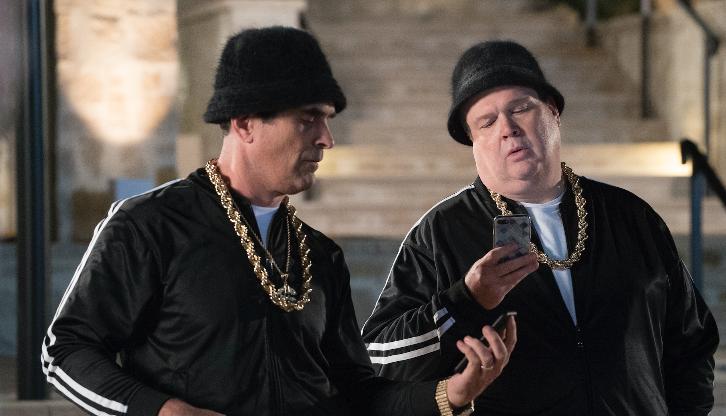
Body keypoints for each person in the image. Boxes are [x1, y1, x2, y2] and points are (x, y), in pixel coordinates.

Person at [41, 27, 514, 416]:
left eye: (327, 119)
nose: (326, 139)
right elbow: (65, 351)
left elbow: (359, 394)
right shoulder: (150, 224)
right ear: (245, 123)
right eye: (308, 119)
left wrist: (452, 393)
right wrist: (163, 411)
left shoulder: (321, 255)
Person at [360, 40, 719, 415]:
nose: (508, 129)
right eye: (487, 122)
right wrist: (465, 301)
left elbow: (692, 343)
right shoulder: (440, 233)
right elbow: (381, 357)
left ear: (553, 112)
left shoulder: (631, 216)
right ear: (473, 142)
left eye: (520, 109)